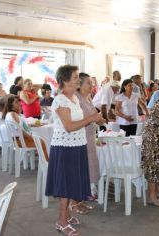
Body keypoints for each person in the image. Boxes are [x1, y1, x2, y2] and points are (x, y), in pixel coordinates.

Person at [45, 65, 104, 235]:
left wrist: (91, 119)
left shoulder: (75, 99)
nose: (79, 80)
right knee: (65, 185)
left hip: (77, 145)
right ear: (64, 80)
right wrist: (91, 118)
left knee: (71, 182)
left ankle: (67, 215)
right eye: (75, 77)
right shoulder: (60, 100)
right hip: (65, 147)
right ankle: (61, 222)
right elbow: (69, 126)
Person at [73, 72, 105, 213]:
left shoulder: (88, 98)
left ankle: (83, 198)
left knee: (88, 168)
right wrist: (95, 118)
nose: (92, 85)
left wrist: (99, 119)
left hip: (90, 136)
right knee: (80, 169)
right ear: (79, 84)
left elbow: (93, 115)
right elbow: (80, 118)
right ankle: (75, 202)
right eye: (88, 83)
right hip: (80, 137)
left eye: (91, 83)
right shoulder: (76, 99)